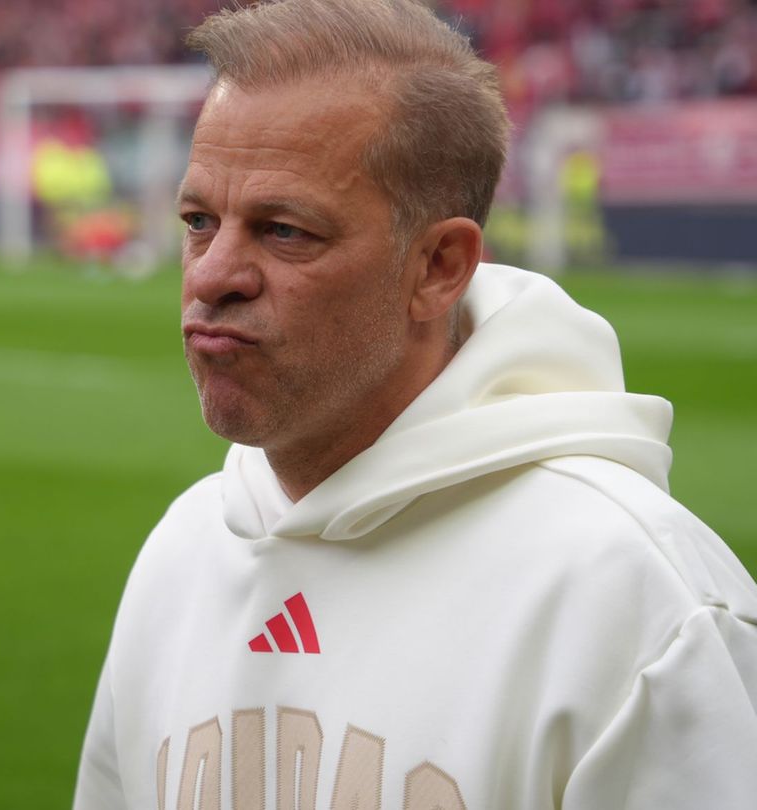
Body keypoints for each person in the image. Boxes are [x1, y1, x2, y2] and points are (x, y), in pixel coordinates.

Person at [73, 1, 757, 808]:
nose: (213, 274)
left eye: (284, 230)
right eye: (198, 221)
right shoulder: (183, 552)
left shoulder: (631, 597)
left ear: (438, 266)